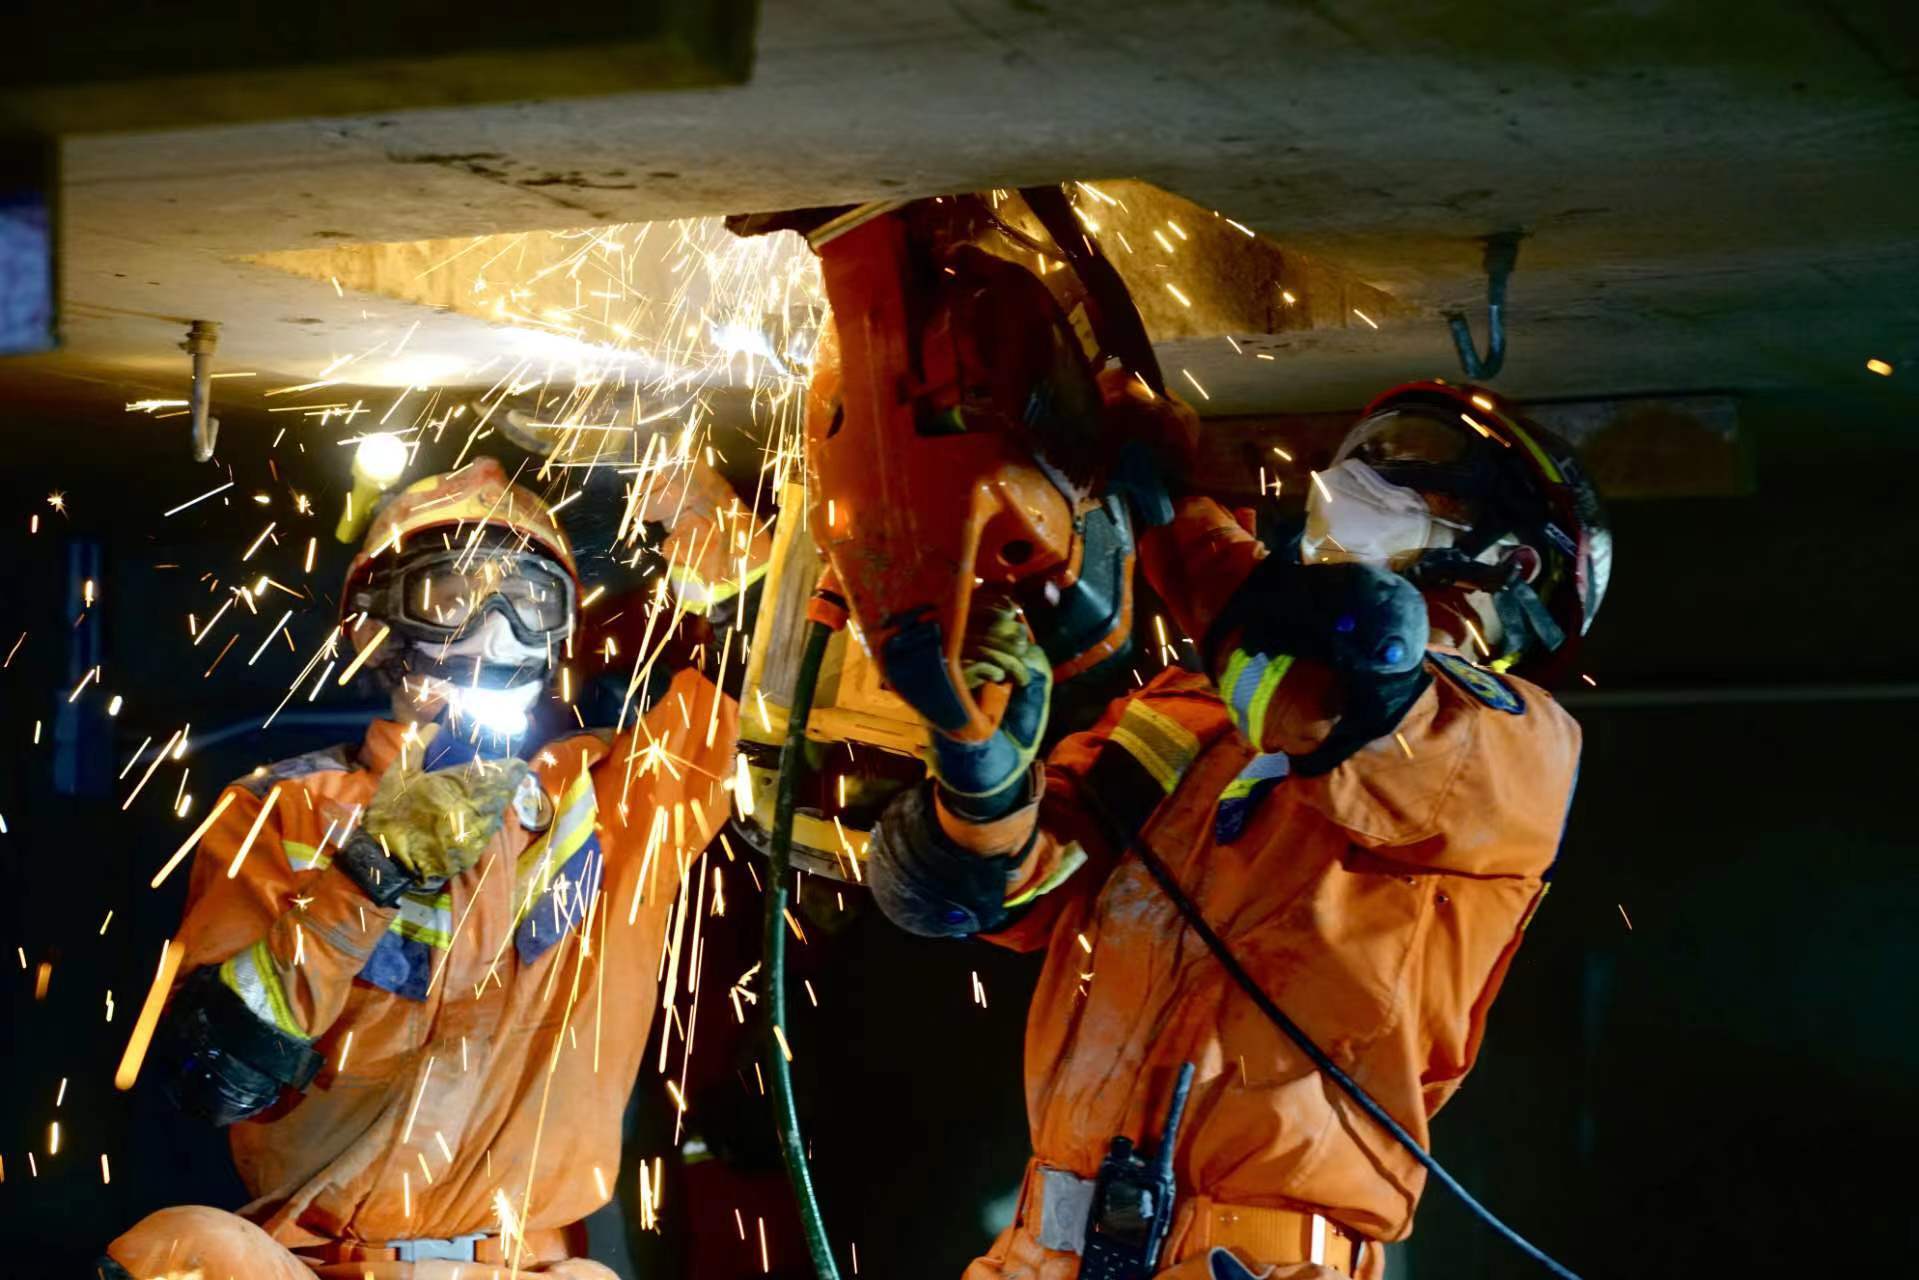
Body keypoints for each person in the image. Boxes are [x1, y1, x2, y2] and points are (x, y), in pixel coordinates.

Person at [868, 380, 1609, 1280]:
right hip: (1037, 1255)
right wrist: (981, 777)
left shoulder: (1509, 741)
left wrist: (1173, 506)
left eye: (1415, 471)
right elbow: (1019, 895)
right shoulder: (1189, 707)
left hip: (1249, 1263)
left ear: (1514, 562)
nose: (1358, 481)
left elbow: (1326, 696)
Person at [105, 455, 761, 1279]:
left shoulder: (607, 804)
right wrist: (367, 874)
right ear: (373, 628)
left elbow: (754, 686)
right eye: (456, 596)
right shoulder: (289, 812)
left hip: (527, 1268)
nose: (495, 629)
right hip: (324, 1263)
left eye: (528, 603)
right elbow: (213, 1080)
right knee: (184, 1251)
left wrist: (713, 532)